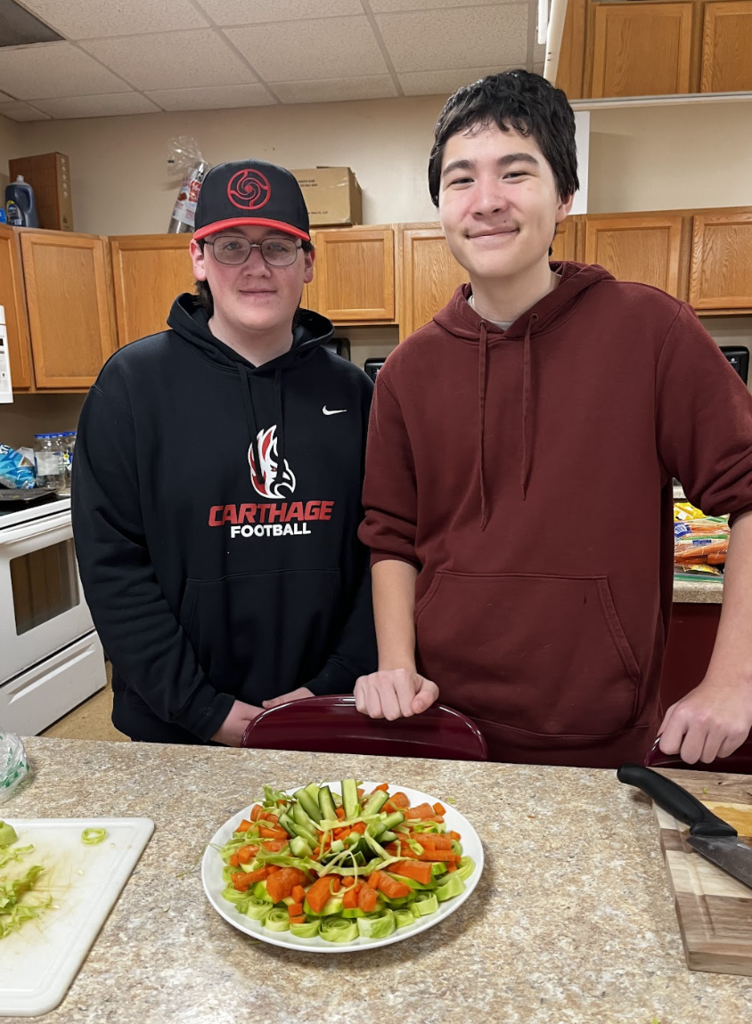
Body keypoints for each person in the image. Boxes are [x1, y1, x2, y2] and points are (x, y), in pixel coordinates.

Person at [355, 70, 752, 768]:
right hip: (442, 731)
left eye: (515, 172)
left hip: (602, 741)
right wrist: (395, 666)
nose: (486, 202)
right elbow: (391, 536)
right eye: (460, 180)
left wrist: (733, 681)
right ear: (440, 206)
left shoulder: (650, 330)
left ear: (565, 195)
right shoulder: (407, 372)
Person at [73, 159, 376, 745]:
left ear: (308, 261)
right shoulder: (132, 387)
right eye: (232, 245)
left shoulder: (354, 395)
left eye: (278, 247)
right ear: (199, 258)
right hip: (174, 732)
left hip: (327, 717)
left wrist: (332, 684)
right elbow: (113, 567)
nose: (256, 267)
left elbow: (381, 551)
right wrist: (203, 709)